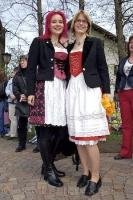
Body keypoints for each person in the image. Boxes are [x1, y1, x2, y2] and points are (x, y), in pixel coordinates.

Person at [66, 10, 110, 196]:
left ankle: (96, 177)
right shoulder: (69, 46)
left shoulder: (95, 43)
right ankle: (85, 172)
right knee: (78, 137)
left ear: (88, 25)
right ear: (73, 24)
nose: (81, 24)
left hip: (89, 90)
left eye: (84, 21)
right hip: (73, 91)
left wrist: (106, 93)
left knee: (90, 138)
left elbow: (103, 69)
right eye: (78, 21)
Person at [26, 11, 68, 187]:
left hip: (62, 89)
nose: (57, 24)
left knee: (59, 132)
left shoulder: (65, 44)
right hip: (45, 88)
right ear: (48, 24)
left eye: (60, 22)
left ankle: (47, 164)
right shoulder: (39, 42)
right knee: (44, 131)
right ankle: (49, 170)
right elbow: (30, 69)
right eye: (54, 22)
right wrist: (30, 92)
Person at [114, 35, 133, 160]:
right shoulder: (123, 61)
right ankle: (126, 152)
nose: (132, 44)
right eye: (131, 42)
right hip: (123, 94)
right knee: (126, 124)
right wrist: (116, 92)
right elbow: (119, 77)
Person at [13, 55, 29, 152]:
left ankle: (39, 145)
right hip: (21, 103)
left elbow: (35, 85)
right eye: (21, 61)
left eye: (24, 61)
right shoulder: (17, 75)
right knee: (21, 125)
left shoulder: (33, 73)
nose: (22, 62)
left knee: (37, 125)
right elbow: (14, 88)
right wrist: (20, 96)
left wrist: (27, 95)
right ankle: (21, 144)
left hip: (32, 101)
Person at [5, 67, 19, 139]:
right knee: (11, 117)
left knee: (15, 118)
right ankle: (11, 132)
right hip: (10, 100)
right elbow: (6, 89)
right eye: (12, 72)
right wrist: (10, 94)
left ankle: (14, 134)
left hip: (17, 101)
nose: (12, 73)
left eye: (13, 72)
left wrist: (16, 95)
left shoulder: (19, 79)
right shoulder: (10, 80)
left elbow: (21, 89)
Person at [0, 70, 8, 137]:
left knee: (2, 116)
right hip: (1, 99)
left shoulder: (5, 81)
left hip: (3, 100)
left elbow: (4, 92)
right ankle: (2, 130)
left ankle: (2, 130)